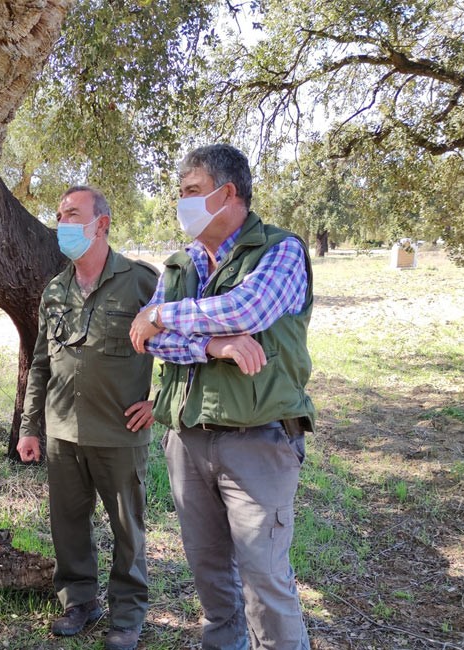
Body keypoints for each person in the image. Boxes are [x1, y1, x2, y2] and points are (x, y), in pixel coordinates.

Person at [128, 144, 315, 650]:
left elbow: (249, 308)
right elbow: (143, 336)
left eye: (191, 192)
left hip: (258, 442)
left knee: (266, 583)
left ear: (227, 193)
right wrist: (217, 343)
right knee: (210, 575)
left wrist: (166, 316)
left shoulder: (281, 250)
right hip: (188, 440)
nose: (181, 203)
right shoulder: (180, 263)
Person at [17, 186, 159, 650]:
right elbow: (39, 362)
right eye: (59, 215)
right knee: (69, 525)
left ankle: (127, 613)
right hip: (61, 432)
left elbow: (181, 344)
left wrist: (161, 400)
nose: (63, 224)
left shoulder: (141, 281)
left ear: (102, 223)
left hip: (119, 431)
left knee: (127, 528)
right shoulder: (55, 290)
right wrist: (30, 427)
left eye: (73, 214)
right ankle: (79, 600)